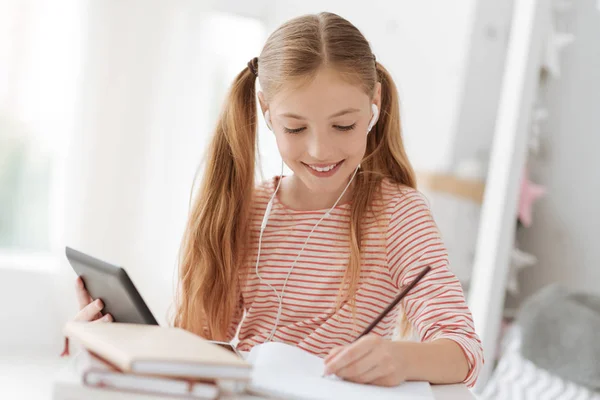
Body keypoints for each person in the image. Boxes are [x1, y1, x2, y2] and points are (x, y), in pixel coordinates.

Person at [73, 12, 483, 388]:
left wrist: (402, 358)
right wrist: (118, 339)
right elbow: (198, 349)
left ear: (374, 105)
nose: (320, 150)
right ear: (267, 111)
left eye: (344, 125)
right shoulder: (245, 209)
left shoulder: (398, 214)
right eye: (295, 128)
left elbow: (466, 351)